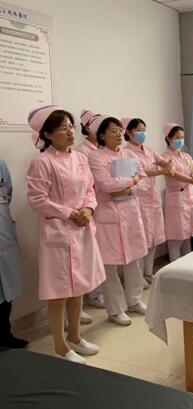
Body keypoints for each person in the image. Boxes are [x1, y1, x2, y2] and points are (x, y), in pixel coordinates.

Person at [26, 106, 105, 363]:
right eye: (63, 128)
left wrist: (88, 209)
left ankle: (75, 337)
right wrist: (70, 213)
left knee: (78, 288)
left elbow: (90, 189)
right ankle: (60, 347)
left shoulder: (80, 158)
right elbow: (37, 199)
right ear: (48, 134)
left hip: (81, 229)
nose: (70, 132)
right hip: (58, 233)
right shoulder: (42, 163)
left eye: (71, 126)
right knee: (59, 292)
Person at [87, 115, 149, 326]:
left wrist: (127, 188)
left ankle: (135, 301)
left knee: (133, 261)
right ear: (102, 135)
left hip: (130, 212)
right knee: (110, 265)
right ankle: (115, 310)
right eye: (113, 131)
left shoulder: (129, 154)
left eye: (120, 130)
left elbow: (144, 181)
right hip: (108, 216)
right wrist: (131, 181)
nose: (119, 134)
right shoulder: (96, 157)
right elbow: (106, 185)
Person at [123, 117, 171, 282]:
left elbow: (163, 162)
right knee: (141, 240)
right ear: (128, 132)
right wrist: (160, 171)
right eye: (138, 130)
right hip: (139, 199)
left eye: (144, 130)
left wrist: (168, 164)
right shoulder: (127, 153)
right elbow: (138, 174)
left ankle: (148, 273)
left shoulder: (149, 151)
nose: (142, 133)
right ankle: (139, 277)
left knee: (154, 238)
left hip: (153, 198)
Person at [74, 109, 104, 314]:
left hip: (96, 205)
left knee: (96, 253)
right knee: (83, 256)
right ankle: (89, 296)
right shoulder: (81, 152)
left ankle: (96, 292)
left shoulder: (103, 149)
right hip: (85, 209)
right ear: (87, 128)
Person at [163, 123, 193, 260]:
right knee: (176, 238)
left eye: (182, 137)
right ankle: (174, 267)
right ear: (169, 138)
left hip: (189, 198)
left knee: (187, 236)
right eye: (177, 138)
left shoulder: (186, 156)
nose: (180, 141)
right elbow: (174, 174)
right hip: (176, 199)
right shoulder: (165, 157)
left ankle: (186, 266)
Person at [0, 159, 28, 350]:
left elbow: (6, 194)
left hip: (3, 233)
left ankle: (4, 335)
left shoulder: (0, 164)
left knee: (6, 290)